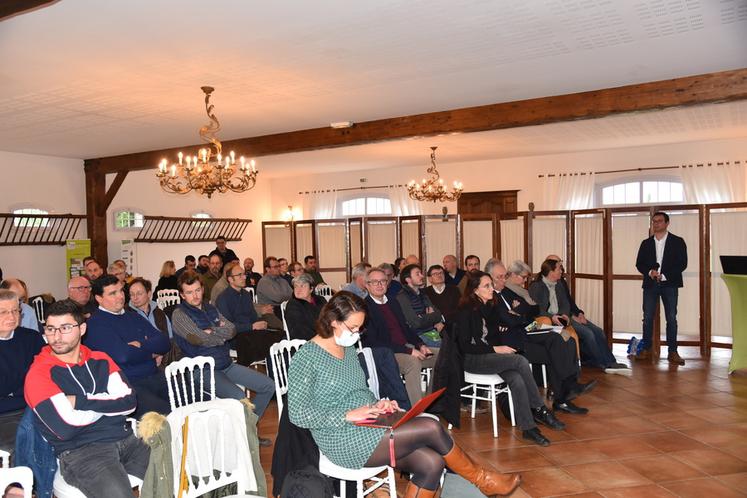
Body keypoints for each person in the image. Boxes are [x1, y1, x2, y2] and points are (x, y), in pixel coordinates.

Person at [287, 292, 521, 498]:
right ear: (332, 321)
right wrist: (347, 415)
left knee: (432, 462)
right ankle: (483, 480)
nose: (357, 334)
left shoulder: (346, 349)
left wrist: (377, 403)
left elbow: (359, 391)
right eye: (353, 328)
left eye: (360, 328)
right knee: (431, 427)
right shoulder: (306, 358)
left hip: (369, 423)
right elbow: (297, 414)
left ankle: (483, 480)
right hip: (341, 437)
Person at [24, 300, 150, 498]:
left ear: (82, 328)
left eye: (65, 328)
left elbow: (129, 402)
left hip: (125, 439)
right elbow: (66, 426)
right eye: (50, 329)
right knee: (119, 494)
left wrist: (80, 402)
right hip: (83, 451)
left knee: (170, 472)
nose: (56, 337)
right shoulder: (39, 374)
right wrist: (109, 405)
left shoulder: (100, 359)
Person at [455, 273, 564, 446]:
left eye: (491, 285)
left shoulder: (490, 306)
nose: (492, 289)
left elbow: (520, 317)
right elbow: (464, 346)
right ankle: (540, 409)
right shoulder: (466, 311)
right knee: (520, 361)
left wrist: (500, 350)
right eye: (487, 286)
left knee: (516, 377)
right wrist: (496, 349)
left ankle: (529, 428)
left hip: (490, 357)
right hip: (472, 359)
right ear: (475, 290)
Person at [171, 271, 275, 440]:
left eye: (197, 290)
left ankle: (248, 430)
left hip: (225, 364)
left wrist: (212, 332)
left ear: (202, 289)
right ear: (182, 295)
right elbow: (198, 339)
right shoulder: (179, 314)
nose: (195, 295)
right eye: (189, 292)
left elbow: (232, 330)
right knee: (240, 398)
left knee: (268, 385)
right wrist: (219, 335)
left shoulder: (210, 308)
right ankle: (245, 436)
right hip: (202, 369)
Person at [491, 260, 593, 415]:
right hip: (520, 334)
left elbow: (533, 308)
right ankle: (565, 394)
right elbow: (509, 319)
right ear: (490, 278)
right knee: (555, 342)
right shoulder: (491, 296)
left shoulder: (506, 291)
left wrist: (517, 311)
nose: (503, 280)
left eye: (504, 276)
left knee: (566, 336)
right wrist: (518, 313)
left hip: (529, 326)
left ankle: (569, 387)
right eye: (500, 277)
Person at [85, 275, 172, 417]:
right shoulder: (95, 324)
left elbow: (164, 342)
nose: (120, 296)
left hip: (156, 376)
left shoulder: (133, 316)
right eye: (112, 293)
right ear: (99, 298)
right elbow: (123, 355)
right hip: (128, 385)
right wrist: (151, 353)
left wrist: (140, 344)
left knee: (195, 403)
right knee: (168, 415)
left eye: (120, 291)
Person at [541, 256, 631, 375]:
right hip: (561, 319)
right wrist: (569, 316)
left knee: (598, 331)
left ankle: (611, 361)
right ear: (550, 269)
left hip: (569, 315)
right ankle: (604, 364)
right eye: (558, 265)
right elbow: (540, 309)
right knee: (589, 334)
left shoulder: (560, 282)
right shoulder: (538, 285)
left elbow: (568, 302)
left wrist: (579, 313)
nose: (561, 268)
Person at [364, 268, 438, 406]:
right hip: (385, 354)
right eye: (375, 282)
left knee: (440, 356)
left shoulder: (393, 301)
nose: (380, 285)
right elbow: (375, 342)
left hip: (405, 347)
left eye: (383, 281)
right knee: (412, 363)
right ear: (367, 285)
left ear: (388, 283)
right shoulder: (365, 307)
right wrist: (409, 351)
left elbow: (406, 328)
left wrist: (420, 344)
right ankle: (416, 410)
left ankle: (430, 403)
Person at [635, 211, 688, 365]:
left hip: (669, 284)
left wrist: (664, 276)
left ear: (667, 223)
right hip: (650, 285)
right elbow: (639, 263)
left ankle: (672, 352)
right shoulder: (646, 243)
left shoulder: (678, 241)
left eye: (659, 221)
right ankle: (646, 349)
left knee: (671, 318)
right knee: (647, 318)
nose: (656, 223)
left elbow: (682, 264)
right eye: (654, 221)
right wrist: (650, 272)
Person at [0, 290, 45, 455]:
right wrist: (25, 377)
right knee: (26, 448)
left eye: (15, 311)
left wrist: (12, 389)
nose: (11, 317)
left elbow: (45, 375)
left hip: (34, 407)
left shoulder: (31, 338)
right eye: (3, 312)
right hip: (3, 415)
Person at [216, 261, 284, 366]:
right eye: (240, 275)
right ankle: (245, 373)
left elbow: (253, 316)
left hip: (251, 331)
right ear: (230, 279)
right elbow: (228, 327)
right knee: (250, 341)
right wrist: (251, 326)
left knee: (279, 335)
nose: (244, 277)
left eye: (244, 274)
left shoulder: (246, 295)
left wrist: (260, 323)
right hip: (236, 336)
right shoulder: (223, 299)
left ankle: (274, 372)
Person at [128, 277, 180, 367]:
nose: (135, 297)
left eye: (139, 293)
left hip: (166, 357)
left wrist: (161, 354)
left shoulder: (160, 313)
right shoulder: (127, 315)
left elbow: (170, 339)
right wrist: (153, 355)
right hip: (142, 360)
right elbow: (132, 344)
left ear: (149, 294)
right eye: (132, 294)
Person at [396, 264, 444, 348]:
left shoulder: (423, 293)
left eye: (421, 273)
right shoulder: (402, 296)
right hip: (418, 336)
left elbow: (438, 315)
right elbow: (415, 323)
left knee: (456, 345)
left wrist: (424, 317)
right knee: (449, 351)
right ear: (408, 279)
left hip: (432, 332)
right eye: (417, 274)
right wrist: (430, 316)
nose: (422, 276)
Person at [284, 273, 326, 341]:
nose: (298, 289)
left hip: (325, 336)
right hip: (307, 342)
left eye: (302, 286)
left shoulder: (320, 300)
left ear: (311, 289)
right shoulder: (293, 305)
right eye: (296, 286)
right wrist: (321, 338)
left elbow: (330, 318)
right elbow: (298, 330)